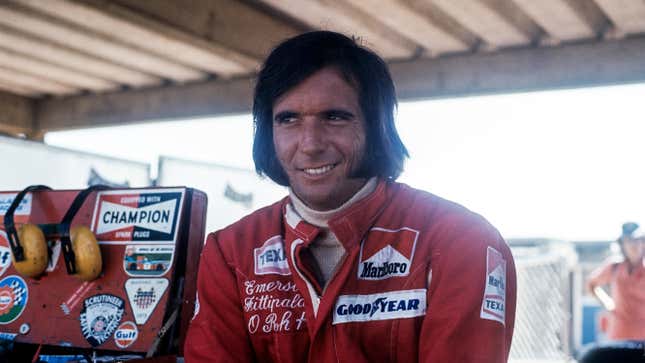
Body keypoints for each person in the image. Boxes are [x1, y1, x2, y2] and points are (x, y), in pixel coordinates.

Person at [184, 31, 516, 362]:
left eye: (334, 117)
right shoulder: (230, 254)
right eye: (288, 119)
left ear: (377, 127)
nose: (311, 143)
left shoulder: (461, 242)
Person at [586, 222, 645, 340]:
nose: (634, 245)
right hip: (618, 336)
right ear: (622, 245)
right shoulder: (614, 267)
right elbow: (591, 283)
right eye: (629, 241)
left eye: (637, 240)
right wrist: (608, 303)